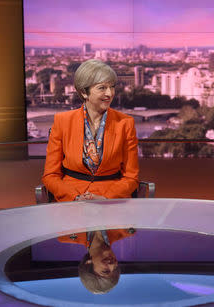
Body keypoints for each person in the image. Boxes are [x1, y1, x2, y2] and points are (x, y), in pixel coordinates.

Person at [42, 59, 139, 202]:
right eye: (102, 88)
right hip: (72, 198)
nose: (110, 93)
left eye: (112, 87)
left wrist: (106, 198)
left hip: (111, 199)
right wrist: (75, 197)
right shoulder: (62, 121)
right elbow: (50, 176)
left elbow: (131, 177)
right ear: (84, 92)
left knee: (112, 225)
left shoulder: (125, 123)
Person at [58, 229, 134, 294]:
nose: (112, 265)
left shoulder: (65, 235)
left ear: (88, 263)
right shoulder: (127, 230)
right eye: (115, 268)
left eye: (105, 271)